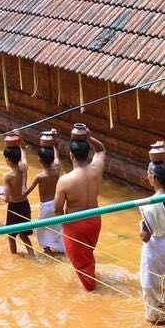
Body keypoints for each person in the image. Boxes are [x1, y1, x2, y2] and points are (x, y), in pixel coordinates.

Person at [54, 123, 107, 291]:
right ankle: (91, 282)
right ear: (87, 153)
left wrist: (66, 229)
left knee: (81, 264)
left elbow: (57, 210)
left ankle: (92, 294)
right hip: (94, 221)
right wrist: (89, 137)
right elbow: (101, 150)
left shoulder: (65, 180)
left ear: (71, 155)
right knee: (87, 255)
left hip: (75, 225)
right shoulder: (97, 168)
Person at [139, 141, 165, 324]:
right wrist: (163, 154)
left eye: (148, 174)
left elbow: (145, 237)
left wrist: (140, 226)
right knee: (162, 276)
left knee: (150, 283)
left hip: (157, 246)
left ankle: (156, 318)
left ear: (153, 177)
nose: (146, 176)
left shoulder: (151, 205)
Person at [0, 134, 37, 257]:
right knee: (23, 234)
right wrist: (20, 137)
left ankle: (14, 256)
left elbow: (6, 199)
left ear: (7, 160)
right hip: (25, 204)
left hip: (14, 207)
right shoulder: (24, 167)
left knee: (11, 235)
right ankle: (32, 255)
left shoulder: (7, 176)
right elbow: (24, 149)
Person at [30, 130, 66, 254]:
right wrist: (54, 138)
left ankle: (47, 250)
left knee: (42, 229)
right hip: (58, 203)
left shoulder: (39, 176)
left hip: (45, 207)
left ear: (39, 159)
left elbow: (26, 193)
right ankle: (61, 251)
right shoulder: (57, 168)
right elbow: (56, 150)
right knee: (58, 227)